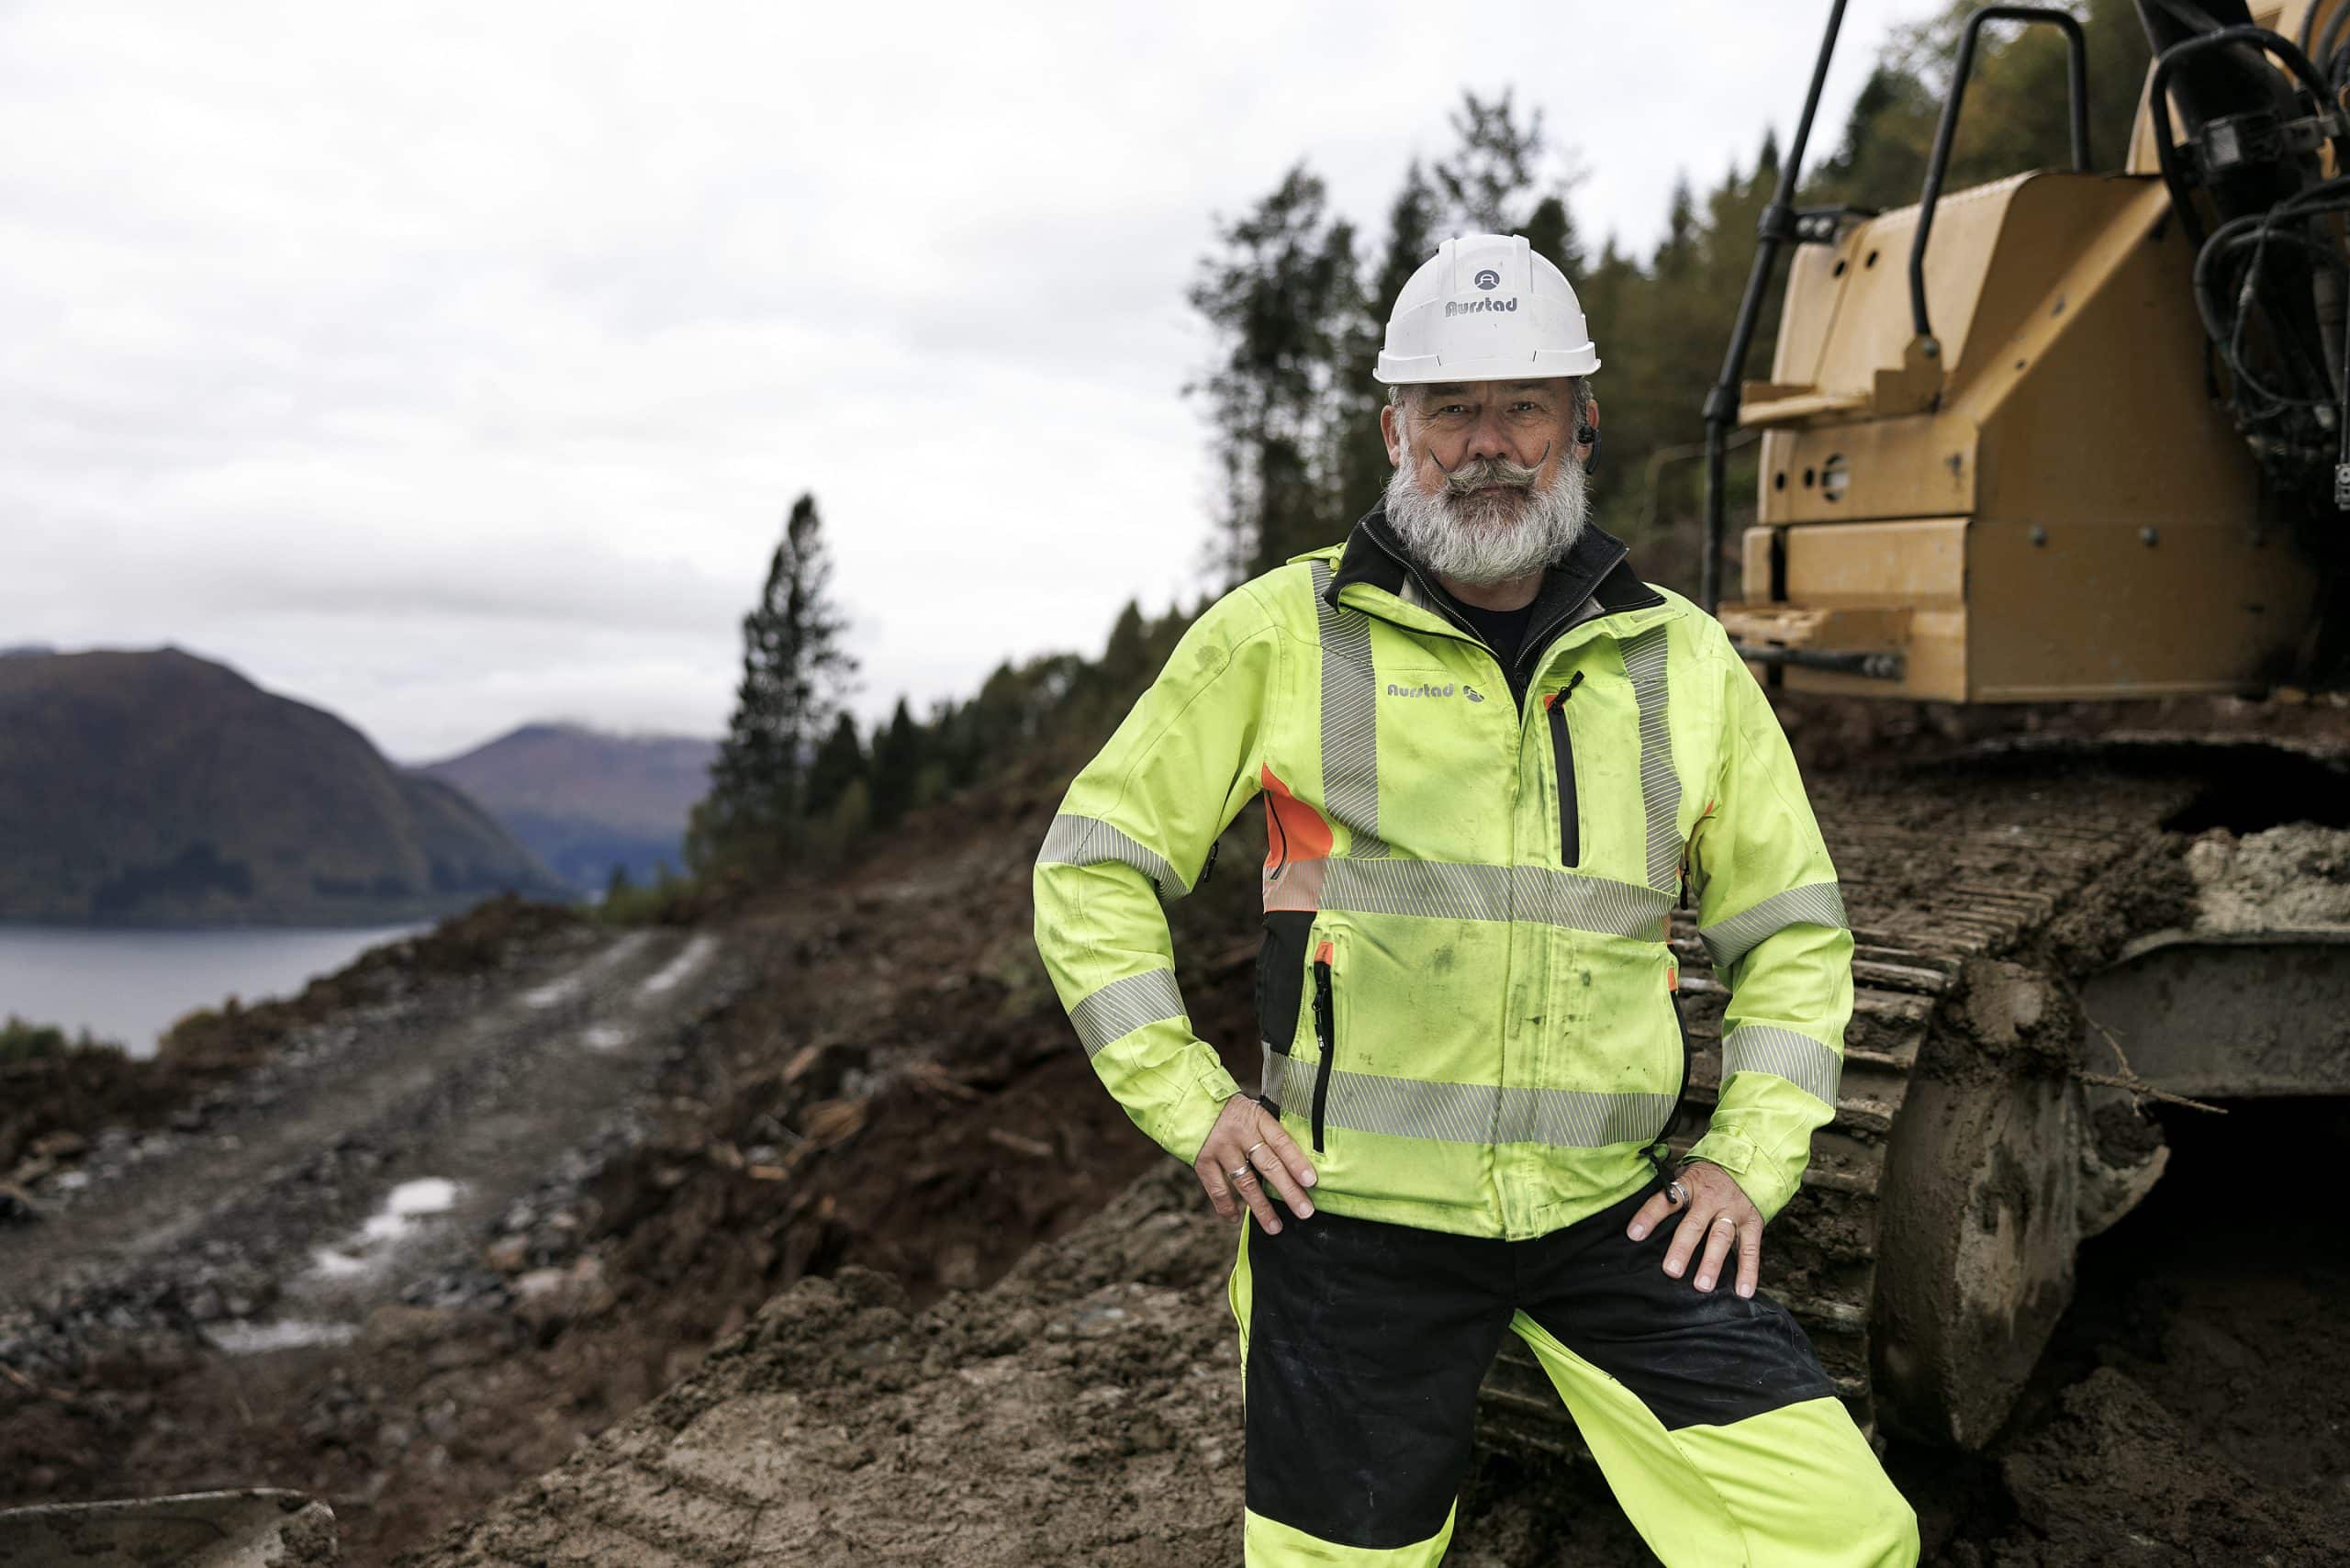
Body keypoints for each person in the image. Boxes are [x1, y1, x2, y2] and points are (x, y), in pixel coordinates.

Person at [1032, 232, 1919, 1566]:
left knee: (1844, 1538)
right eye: (1453, 411)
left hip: (1609, 1212)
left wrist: (1747, 1160)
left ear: (1582, 424)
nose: (1488, 444)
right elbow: (1094, 865)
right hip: (1349, 1220)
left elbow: (1791, 934)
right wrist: (1191, 1098)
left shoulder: (1680, 659)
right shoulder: (1285, 631)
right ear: (1397, 430)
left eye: (1525, 407)